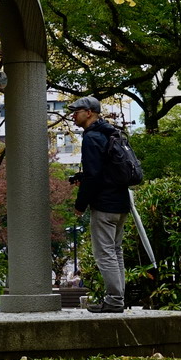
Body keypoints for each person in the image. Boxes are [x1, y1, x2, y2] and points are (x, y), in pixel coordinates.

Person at [68, 97, 129, 313]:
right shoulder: (111, 133)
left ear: (89, 112)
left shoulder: (92, 137)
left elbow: (93, 176)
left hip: (104, 205)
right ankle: (118, 299)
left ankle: (114, 300)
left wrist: (80, 204)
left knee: (105, 254)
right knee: (116, 251)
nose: (73, 116)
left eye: (76, 112)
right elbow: (105, 171)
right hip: (121, 202)